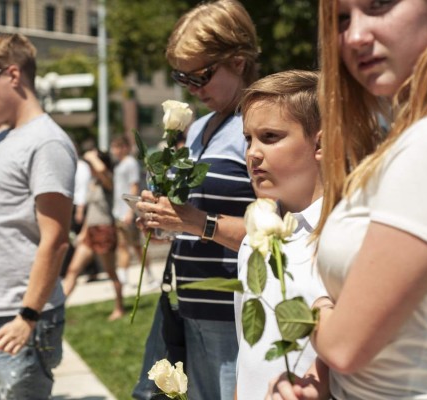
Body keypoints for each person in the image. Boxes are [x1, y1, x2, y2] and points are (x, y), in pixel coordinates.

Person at [268, 1, 427, 399]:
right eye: (342, 19)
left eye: (379, 5)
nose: (356, 36)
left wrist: (312, 306)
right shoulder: (418, 131)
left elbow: (346, 346)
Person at [136, 0, 258, 398]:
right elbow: (190, 217)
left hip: (234, 313)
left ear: (238, 61)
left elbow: (283, 233)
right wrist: (163, 224)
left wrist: (195, 221)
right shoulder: (201, 127)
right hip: (189, 306)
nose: (191, 88)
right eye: (182, 77)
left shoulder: (262, 125)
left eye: (201, 75)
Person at [0, 33, 76, 399]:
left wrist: (28, 316)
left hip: (16, 316)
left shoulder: (47, 142)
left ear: (12, 75)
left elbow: (55, 239)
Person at [235, 70, 327, 400]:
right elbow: (247, 347)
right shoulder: (254, 237)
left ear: (321, 142)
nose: (252, 153)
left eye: (270, 137)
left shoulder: (341, 238)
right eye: (248, 139)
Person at [63, 149, 125, 321]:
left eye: (93, 163)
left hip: (105, 231)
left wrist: (91, 156)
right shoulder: (94, 182)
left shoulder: (108, 179)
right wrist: (83, 232)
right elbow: (91, 211)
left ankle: (119, 307)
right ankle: (58, 310)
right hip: (90, 231)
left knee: (111, 273)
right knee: (72, 270)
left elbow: (103, 170)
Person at [110, 134, 155, 287]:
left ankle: (149, 275)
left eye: (116, 147)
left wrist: (130, 210)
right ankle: (123, 278)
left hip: (128, 212)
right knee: (122, 245)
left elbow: (134, 186)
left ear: (124, 148)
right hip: (118, 212)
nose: (114, 150)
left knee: (136, 246)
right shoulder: (119, 165)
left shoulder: (130, 163)